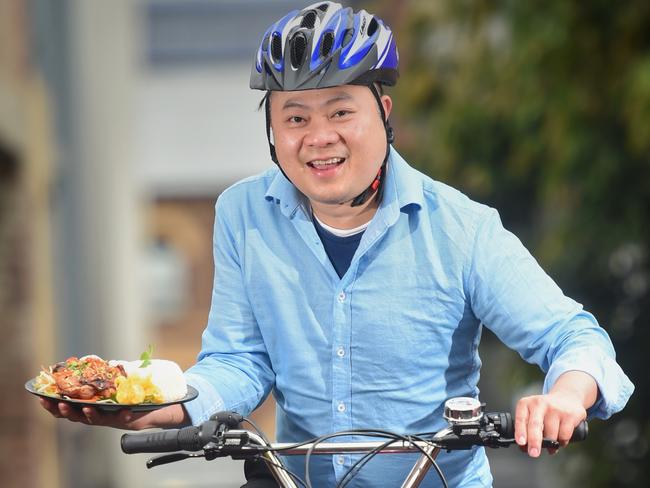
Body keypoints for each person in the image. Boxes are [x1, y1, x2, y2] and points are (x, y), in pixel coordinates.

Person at [40, 2, 633, 487]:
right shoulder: (242, 214)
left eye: (341, 110)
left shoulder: (461, 227)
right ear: (273, 131)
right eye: (295, 118)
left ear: (384, 112)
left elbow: (573, 337)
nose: (319, 138)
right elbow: (241, 360)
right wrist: (164, 404)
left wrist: (564, 395)